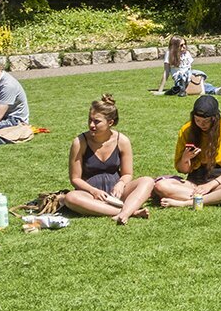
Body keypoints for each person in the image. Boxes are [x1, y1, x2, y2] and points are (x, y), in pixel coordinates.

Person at [61, 94, 158, 224]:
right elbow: (75, 179)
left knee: (147, 181)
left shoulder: (122, 141)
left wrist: (121, 184)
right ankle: (129, 212)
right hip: (90, 194)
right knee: (70, 198)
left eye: (96, 121)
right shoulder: (80, 142)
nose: (91, 125)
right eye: (90, 120)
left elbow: (127, 174)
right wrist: (93, 191)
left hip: (117, 193)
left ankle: (123, 210)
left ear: (110, 122)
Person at [153, 96, 221, 208]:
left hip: (219, 181)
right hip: (194, 183)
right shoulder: (186, 130)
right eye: (197, 120)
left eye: (206, 121)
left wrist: (209, 186)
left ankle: (187, 202)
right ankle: (215, 198)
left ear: (215, 118)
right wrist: (185, 159)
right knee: (161, 185)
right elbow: (182, 170)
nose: (201, 124)